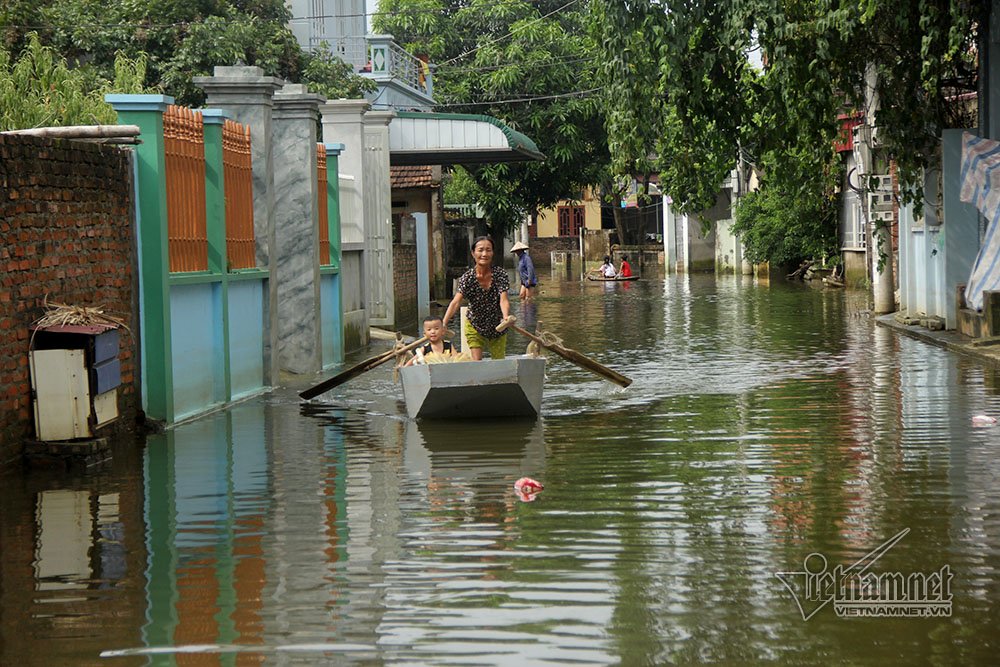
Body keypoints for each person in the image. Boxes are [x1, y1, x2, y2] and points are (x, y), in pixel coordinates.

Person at [442, 236, 512, 360]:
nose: (484, 254)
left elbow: (504, 299)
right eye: (480, 250)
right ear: (473, 253)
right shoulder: (468, 278)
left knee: (498, 361)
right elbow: (455, 302)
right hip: (475, 324)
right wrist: (444, 323)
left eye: (488, 250)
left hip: (498, 325)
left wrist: (506, 317)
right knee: (477, 362)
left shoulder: (500, 274)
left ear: (493, 253)